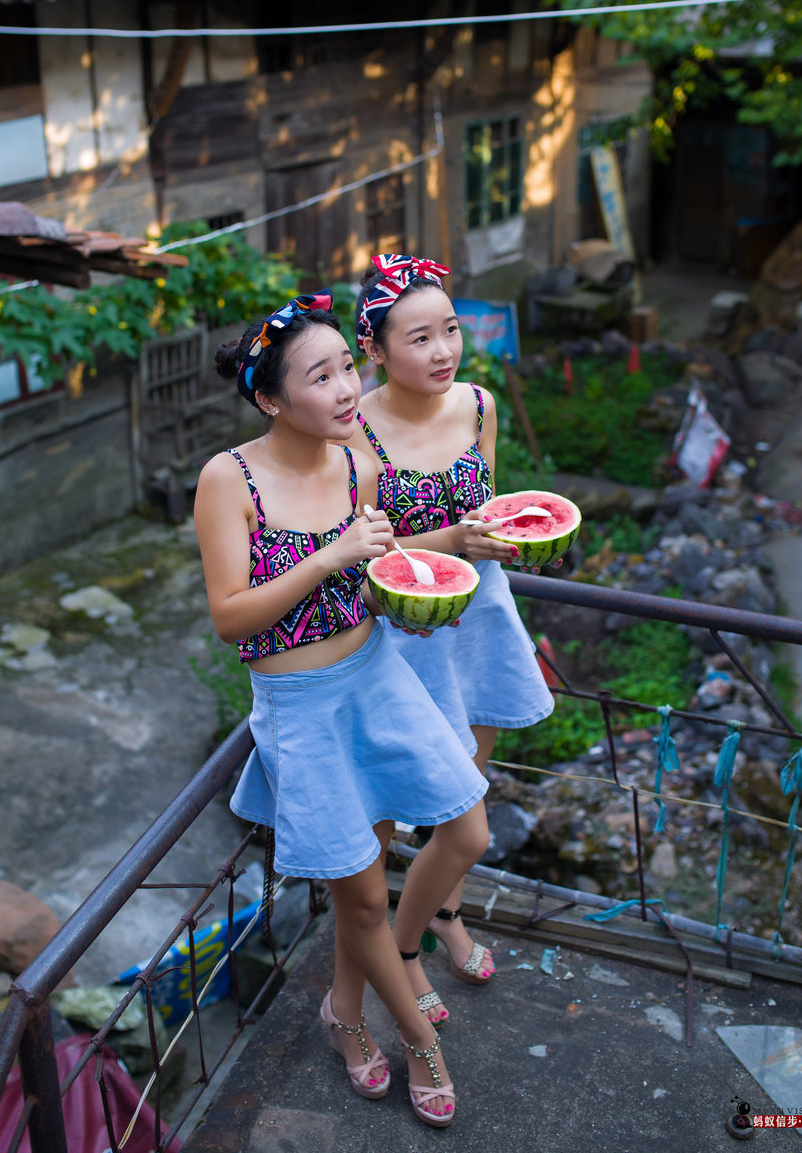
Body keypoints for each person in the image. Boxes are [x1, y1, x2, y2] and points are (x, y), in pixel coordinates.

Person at [193, 290, 490, 1127]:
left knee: (468, 831)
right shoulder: (230, 477)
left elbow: (376, 567)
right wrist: (328, 558)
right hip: (299, 704)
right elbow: (230, 618)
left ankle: (361, 1000)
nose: (346, 388)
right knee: (359, 900)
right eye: (320, 376)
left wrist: (441, 568)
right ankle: (395, 1036)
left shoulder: (357, 457)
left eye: (347, 367)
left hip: (377, 671)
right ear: (270, 398)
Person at [353, 254, 555, 1025]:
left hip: (483, 620)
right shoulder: (354, 426)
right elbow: (365, 551)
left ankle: (442, 917)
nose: (443, 351)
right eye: (419, 337)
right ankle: (400, 950)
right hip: (405, 634)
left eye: (450, 331)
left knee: (465, 797)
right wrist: (459, 539)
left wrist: (517, 540)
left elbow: (490, 511)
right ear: (374, 349)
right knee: (444, 809)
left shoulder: (478, 404)